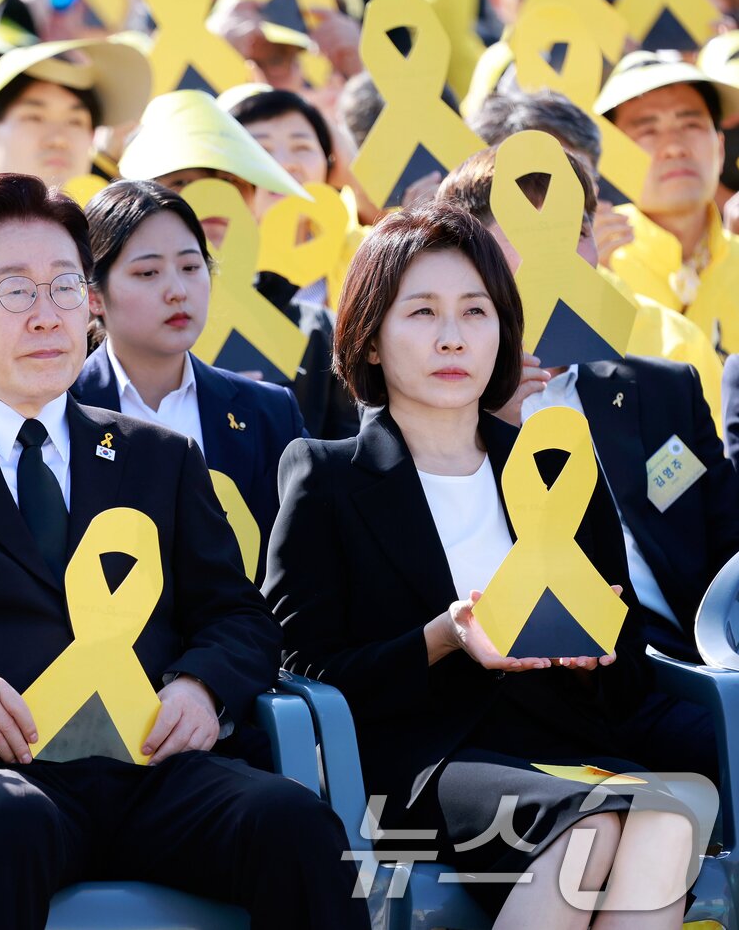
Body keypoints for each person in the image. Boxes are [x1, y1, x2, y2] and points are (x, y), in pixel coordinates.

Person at [0, 172, 367, 930]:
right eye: (13, 290)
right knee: (6, 825)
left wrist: (201, 686)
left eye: (66, 287)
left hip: (153, 769)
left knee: (296, 825)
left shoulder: (158, 456)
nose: (47, 315)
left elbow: (239, 613)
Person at [266, 201, 697, 925]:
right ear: (370, 339)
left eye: (475, 312)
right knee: (588, 824)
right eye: (422, 313)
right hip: (425, 760)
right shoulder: (326, 475)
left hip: (565, 744)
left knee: (668, 824)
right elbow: (300, 670)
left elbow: (628, 674)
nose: (452, 336)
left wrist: (591, 644)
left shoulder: (559, 469)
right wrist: (444, 636)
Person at [439, 143, 736, 780]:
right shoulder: (437, 411)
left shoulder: (662, 391)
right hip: (543, 698)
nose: (560, 256)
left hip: (694, 668)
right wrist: (494, 423)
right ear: (471, 265)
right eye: (527, 234)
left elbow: (729, 542)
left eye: (574, 232)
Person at [71, 179, 305, 589]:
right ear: (94, 295)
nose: (178, 291)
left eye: (192, 267)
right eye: (147, 272)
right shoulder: (58, 409)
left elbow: (299, 564)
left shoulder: (268, 413)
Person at [466, 88, 726, 432]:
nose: (552, 214)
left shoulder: (669, 337)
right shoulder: (449, 350)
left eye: (568, 189)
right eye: (526, 195)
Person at [121, 89, 361, 440]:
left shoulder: (317, 332)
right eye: (183, 182)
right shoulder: (112, 327)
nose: (212, 196)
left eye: (229, 181)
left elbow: (352, 456)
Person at [599, 51, 739, 355]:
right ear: (613, 157)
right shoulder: (594, 261)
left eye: (690, 125)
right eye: (647, 130)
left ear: (720, 146)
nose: (674, 147)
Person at [222, 85, 365, 312]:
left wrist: (354, 175)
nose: (285, 163)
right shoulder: (201, 270)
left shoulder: (369, 258)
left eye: (302, 146)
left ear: (329, 164)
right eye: (262, 149)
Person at [0, 37, 150, 189]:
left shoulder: (119, 231)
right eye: (35, 118)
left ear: (92, 138)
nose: (58, 139)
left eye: (75, 122)